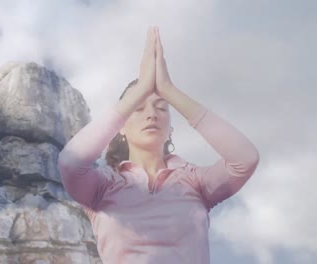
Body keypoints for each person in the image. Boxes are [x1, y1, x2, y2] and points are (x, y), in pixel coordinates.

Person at [57, 26, 260, 264]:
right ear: (121, 127)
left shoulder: (195, 181)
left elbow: (245, 159)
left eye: (161, 108)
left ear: (170, 129)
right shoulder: (103, 185)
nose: (152, 115)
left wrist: (169, 90)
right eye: (139, 109)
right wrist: (142, 88)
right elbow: (70, 162)